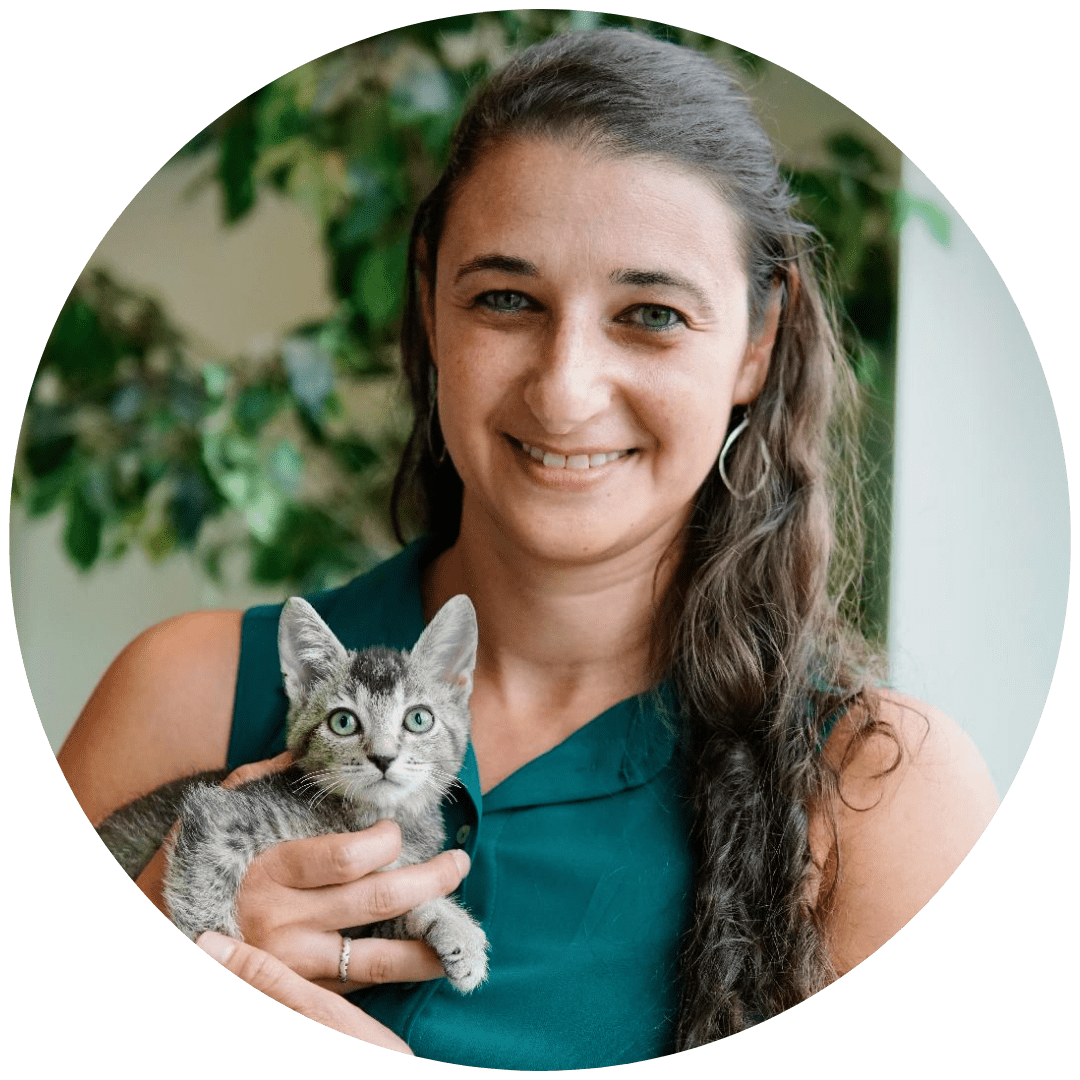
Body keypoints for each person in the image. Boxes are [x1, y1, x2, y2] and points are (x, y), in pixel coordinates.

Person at [57, 29, 998, 1066]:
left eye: (652, 314)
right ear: (430, 302)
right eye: (506, 299)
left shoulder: (885, 792)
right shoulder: (182, 693)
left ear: (758, 342)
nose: (564, 389)